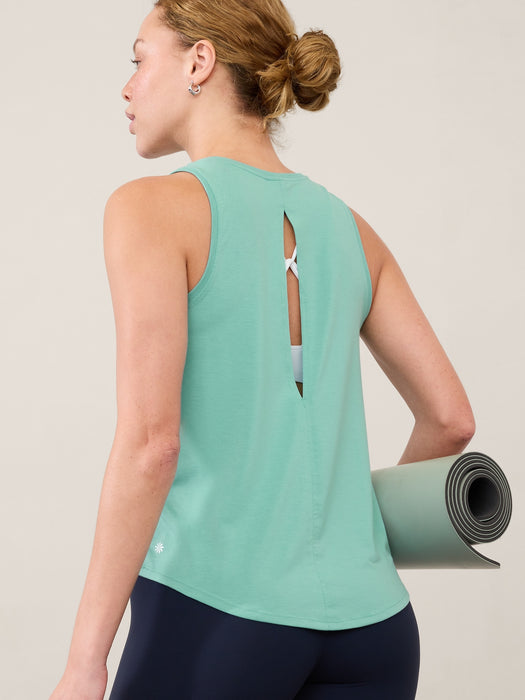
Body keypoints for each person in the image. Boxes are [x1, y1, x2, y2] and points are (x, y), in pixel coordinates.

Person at [50, 1, 476, 698]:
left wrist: (84, 661)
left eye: (139, 59)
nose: (127, 87)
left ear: (199, 61)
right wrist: (353, 546)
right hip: (377, 632)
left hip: (215, 619)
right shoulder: (352, 229)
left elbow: (151, 445)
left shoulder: (149, 210)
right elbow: (451, 419)